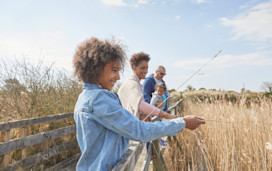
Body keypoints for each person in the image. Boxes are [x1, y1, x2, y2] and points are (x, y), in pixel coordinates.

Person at [73, 37, 205, 171]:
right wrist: (182, 122)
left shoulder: (84, 98)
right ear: (96, 68)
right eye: (114, 70)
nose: (118, 77)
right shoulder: (99, 99)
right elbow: (140, 130)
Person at [118, 52, 174, 121]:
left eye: (147, 68)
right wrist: (166, 115)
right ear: (134, 68)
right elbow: (141, 104)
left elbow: (137, 105)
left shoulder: (136, 83)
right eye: (142, 68)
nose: (145, 71)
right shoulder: (132, 84)